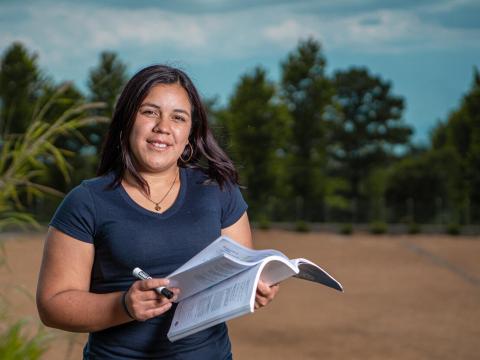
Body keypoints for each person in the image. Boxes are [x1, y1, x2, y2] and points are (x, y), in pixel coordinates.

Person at [36, 65, 279, 359]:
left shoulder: (219, 192)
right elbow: (53, 306)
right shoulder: (85, 202)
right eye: (150, 112)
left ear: (189, 134)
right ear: (127, 122)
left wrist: (252, 290)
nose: (163, 126)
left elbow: (237, 277)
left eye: (178, 117)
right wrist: (123, 306)